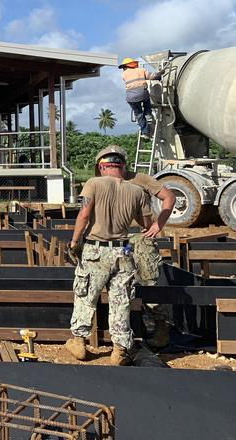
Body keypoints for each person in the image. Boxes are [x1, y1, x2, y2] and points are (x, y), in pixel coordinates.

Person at [65, 147, 159, 366]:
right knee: (121, 301)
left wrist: (74, 241)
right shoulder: (137, 191)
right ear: (122, 166)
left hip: (95, 250)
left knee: (86, 294)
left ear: (101, 166)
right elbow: (146, 223)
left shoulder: (93, 184)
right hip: (123, 252)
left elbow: (84, 214)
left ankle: (79, 341)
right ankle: (119, 350)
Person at [94, 145, 176, 348]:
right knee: (111, 285)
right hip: (109, 241)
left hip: (138, 238)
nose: (112, 165)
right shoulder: (98, 183)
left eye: (115, 161)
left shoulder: (140, 179)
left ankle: (161, 327)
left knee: (148, 282)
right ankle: (118, 331)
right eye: (107, 162)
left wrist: (159, 224)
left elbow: (169, 197)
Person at [119, 57, 165, 137]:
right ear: (133, 64)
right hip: (142, 94)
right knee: (146, 100)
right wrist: (160, 74)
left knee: (139, 114)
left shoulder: (123, 74)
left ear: (125, 67)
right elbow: (152, 77)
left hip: (131, 97)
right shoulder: (141, 70)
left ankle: (145, 132)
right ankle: (148, 115)